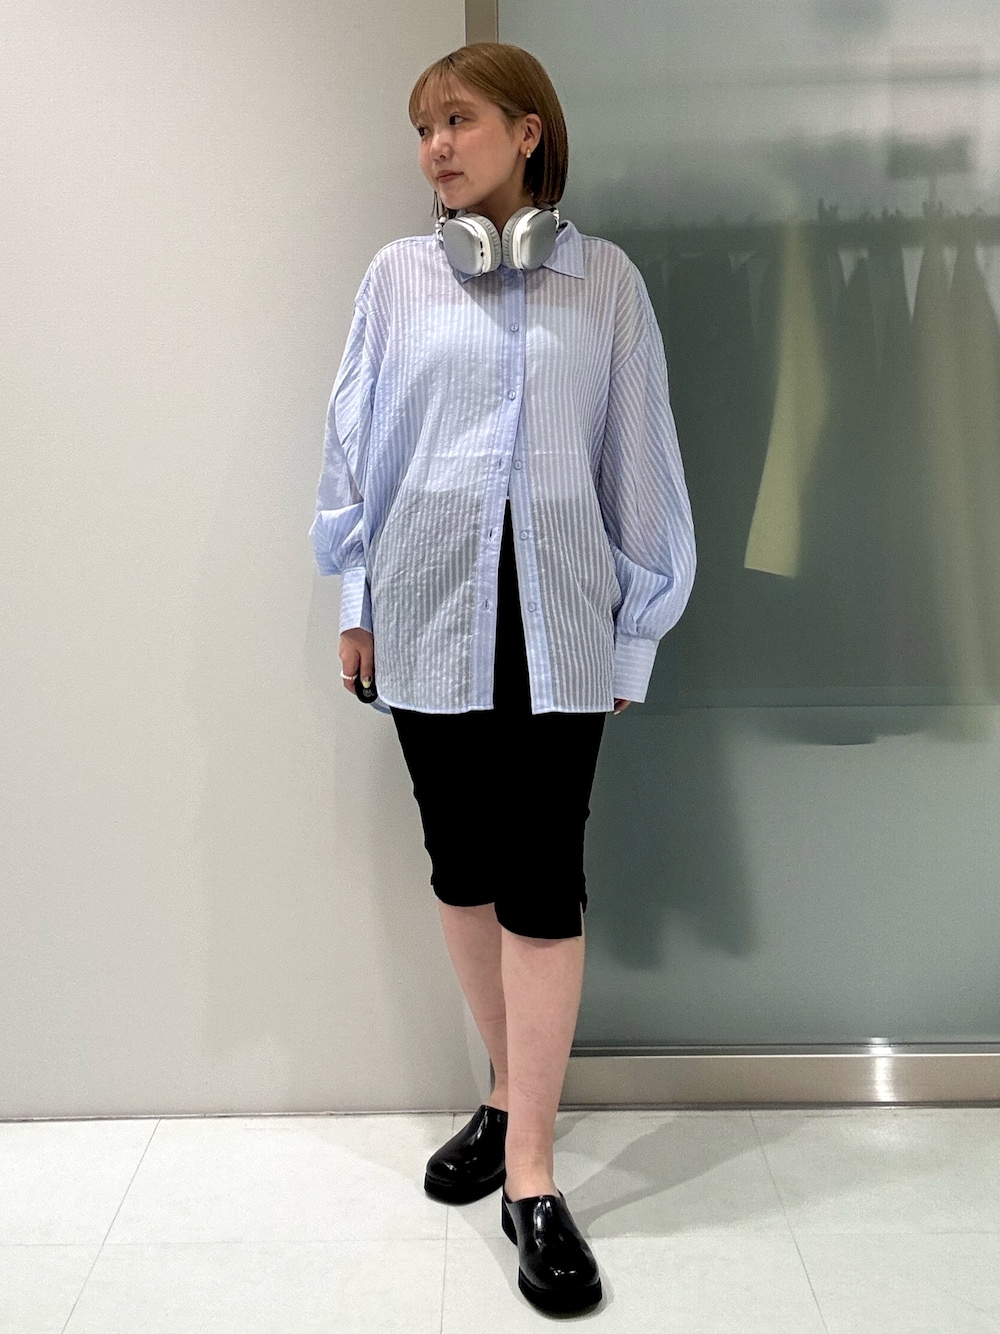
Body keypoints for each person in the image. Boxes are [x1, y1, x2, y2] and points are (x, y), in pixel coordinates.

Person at [309, 41, 695, 1316]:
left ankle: (531, 1173)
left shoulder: (607, 283)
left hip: (561, 621)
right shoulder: (396, 277)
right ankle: (502, 1090)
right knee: (459, 865)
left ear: (528, 132)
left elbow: (640, 461)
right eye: (423, 128)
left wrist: (635, 633)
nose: (434, 147)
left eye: (458, 120)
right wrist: (355, 601)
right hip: (426, 611)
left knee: (542, 880)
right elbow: (355, 445)